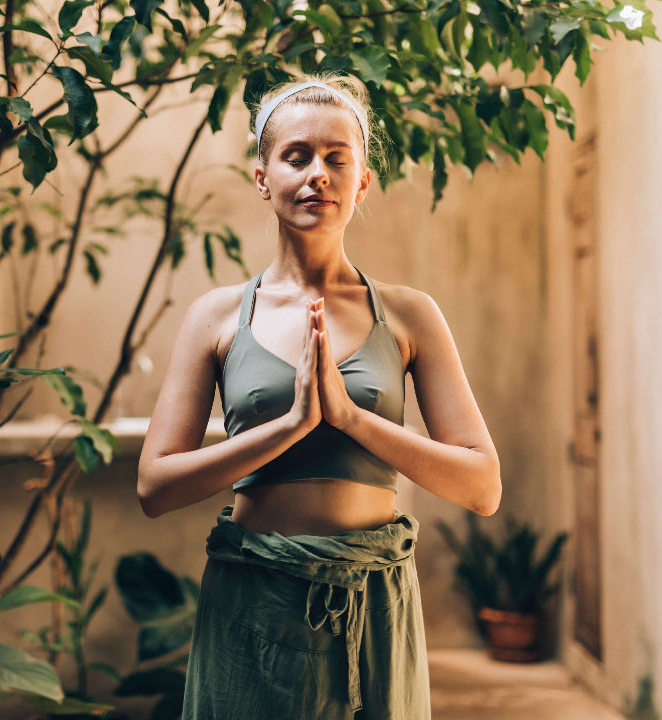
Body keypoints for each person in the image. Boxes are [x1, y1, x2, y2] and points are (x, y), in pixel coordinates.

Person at [136, 73, 502, 719]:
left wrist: (351, 419)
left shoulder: (410, 315)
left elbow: (481, 486)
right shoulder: (219, 316)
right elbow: (156, 488)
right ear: (262, 175)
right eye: (296, 155)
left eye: (338, 159)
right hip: (253, 598)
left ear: (361, 182)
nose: (317, 176)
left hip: (374, 599)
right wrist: (289, 425)